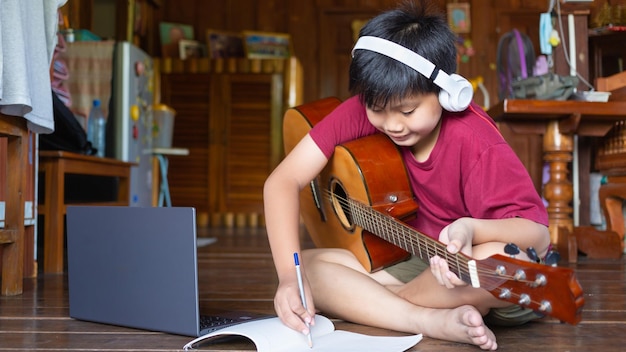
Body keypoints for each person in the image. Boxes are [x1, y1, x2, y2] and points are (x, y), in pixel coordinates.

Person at [263, 0, 550, 350]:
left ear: (447, 94)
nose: (393, 124)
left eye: (408, 110)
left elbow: (537, 236)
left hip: (467, 274)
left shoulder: (476, 141)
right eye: (378, 110)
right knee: (301, 266)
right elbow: (282, 181)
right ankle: (426, 319)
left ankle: (383, 303)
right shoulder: (367, 107)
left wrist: (470, 228)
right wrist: (287, 281)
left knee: (506, 264)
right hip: (408, 260)